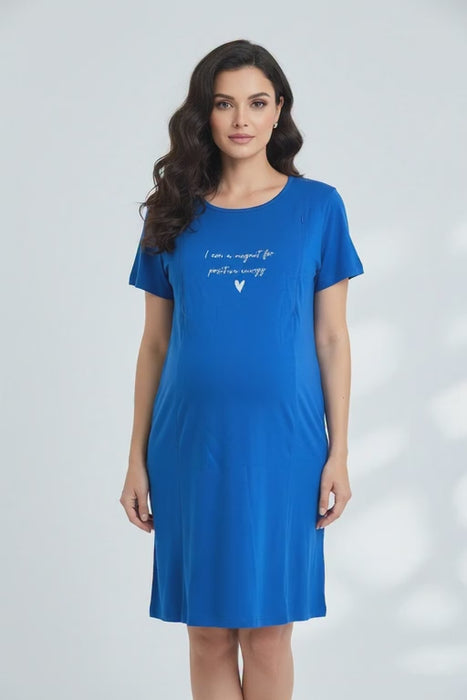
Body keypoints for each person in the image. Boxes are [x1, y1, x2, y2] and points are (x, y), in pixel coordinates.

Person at [120, 39, 364, 700]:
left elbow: (332, 338)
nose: (240, 119)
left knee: (267, 632)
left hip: (285, 447)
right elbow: (153, 344)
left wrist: (339, 453)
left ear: (278, 110)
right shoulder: (172, 212)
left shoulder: (317, 207)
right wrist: (135, 458)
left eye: (256, 103)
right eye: (224, 103)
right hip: (188, 445)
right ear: (204, 113)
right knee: (204, 630)